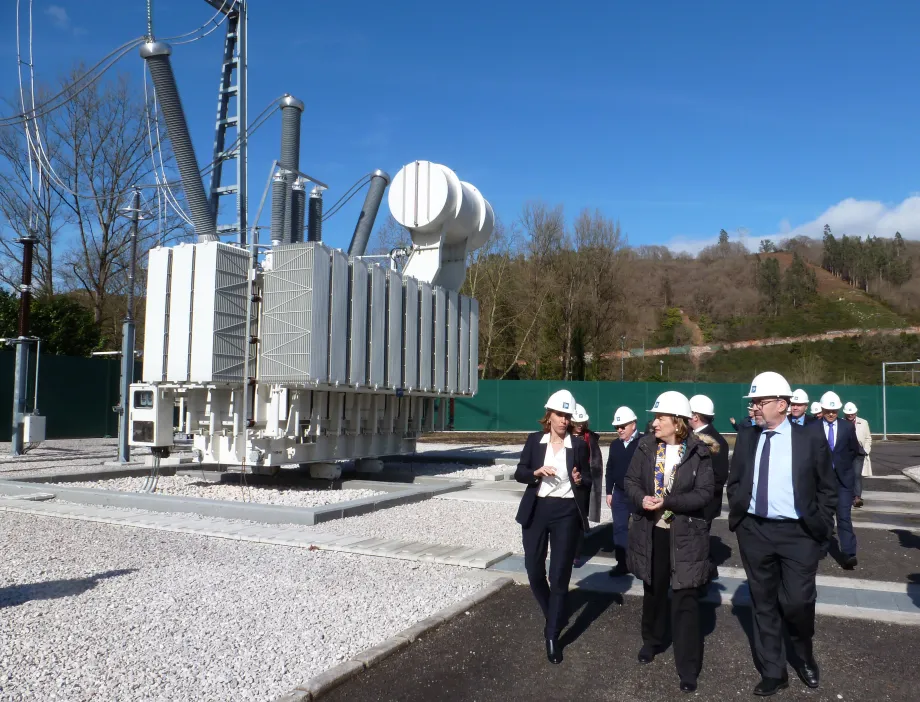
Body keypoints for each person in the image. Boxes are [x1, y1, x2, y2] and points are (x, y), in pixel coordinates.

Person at [726, 372, 836, 696]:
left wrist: (822, 523)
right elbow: (735, 481)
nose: (755, 407)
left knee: (798, 602)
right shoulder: (747, 436)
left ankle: (802, 655)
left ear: (783, 405)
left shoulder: (810, 438)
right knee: (763, 603)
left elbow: (828, 487)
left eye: (760, 401)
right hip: (755, 531)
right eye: (753, 402)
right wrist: (741, 519)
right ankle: (774, 671)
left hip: (798, 533)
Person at [625, 390, 714, 694]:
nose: (654, 422)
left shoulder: (699, 452)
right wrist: (642, 498)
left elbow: (705, 494)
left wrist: (669, 501)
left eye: (660, 417)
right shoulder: (646, 448)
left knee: (686, 599)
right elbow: (630, 482)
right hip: (653, 532)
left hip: (687, 536)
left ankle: (688, 668)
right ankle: (652, 640)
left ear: (677, 422)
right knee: (653, 589)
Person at [514, 389, 592, 665]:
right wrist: (534, 472)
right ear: (549, 415)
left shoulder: (579, 446)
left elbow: (589, 480)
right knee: (534, 571)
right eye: (560, 414)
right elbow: (519, 472)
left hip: (566, 513)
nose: (563, 420)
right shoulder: (535, 441)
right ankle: (553, 613)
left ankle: (552, 635)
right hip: (537, 510)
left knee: (559, 576)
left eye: (567, 415)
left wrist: (580, 478)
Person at [819, 391, 861, 569]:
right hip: (821, 481)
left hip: (843, 481)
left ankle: (849, 553)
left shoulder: (846, 427)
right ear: (822, 409)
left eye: (834, 410)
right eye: (828, 410)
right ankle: (820, 547)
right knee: (823, 517)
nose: (831, 414)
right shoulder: (812, 427)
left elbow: (853, 450)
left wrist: (845, 468)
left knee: (844, 517)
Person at [688, 394, 729, 580]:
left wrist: (697, 494)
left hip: (704, 505)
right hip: (689, 503)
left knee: (699, 543)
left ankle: (704, 576)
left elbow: (719, 478)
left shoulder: (716, 441)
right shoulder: (688, 437)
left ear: (695, 416)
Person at [605, 406, 642, 576]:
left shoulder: (644, 443)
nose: (619, 430)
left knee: (641, 529)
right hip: (619, 493)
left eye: (622, 426)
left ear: (633, 425)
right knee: (619, 528)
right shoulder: (615, 445)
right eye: (616, 427)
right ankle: (622, 564)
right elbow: (610, 468)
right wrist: (609, 491)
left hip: (639, 493)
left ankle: (642, 564)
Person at [571, 404, 603, 523]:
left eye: (582, 422)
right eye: (577, 422)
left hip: (584, 480)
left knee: (582, 513)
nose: (580, 425)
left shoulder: (590, 437)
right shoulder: (563, 437)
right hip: (567, 479)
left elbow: (596, 463)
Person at [843, 402, 872, 509]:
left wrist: (866, 450)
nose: (850, 415)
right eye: (848, 414)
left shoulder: (863, 423)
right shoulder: (841, 422)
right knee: (845, 475)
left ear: (856, 412)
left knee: (856, 474)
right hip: (844, 453)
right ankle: (846, 495)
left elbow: (868, 438)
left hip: (859, 452)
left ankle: (857, 497)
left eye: (852, 413)